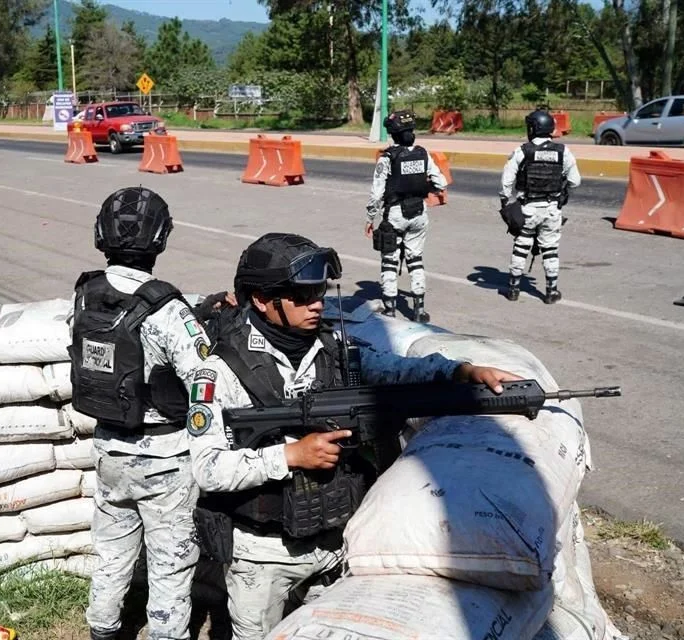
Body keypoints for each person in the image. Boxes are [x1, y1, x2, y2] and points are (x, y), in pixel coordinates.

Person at [186, 233, 521, 640]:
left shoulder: (331, 346)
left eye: (320, 292)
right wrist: (290, 456)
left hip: (334, 541)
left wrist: (461, 372)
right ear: (261, 299)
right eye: (302, 295)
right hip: (263, 554)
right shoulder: (220, 371)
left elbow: (393, 370)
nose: (316, 304)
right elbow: (208, 469)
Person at [67, 187, 216, 640]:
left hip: (109, 448)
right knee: (171, 562)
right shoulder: (168, 308)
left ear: (100, 234)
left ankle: (102, 628)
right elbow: (204, 376)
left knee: (111, 552)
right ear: (161, 238)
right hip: (165, 458)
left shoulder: (86, 294)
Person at [364, 110, 447, 323]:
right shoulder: (423, 153)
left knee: (390, 260)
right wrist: (422, 189)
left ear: (393, 134)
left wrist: (370, 218)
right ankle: (419, 310)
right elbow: (441, 183)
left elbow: (376, 194)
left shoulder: (388, 157)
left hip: (395, 214)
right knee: (415, 259)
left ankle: (390, 309)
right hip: (419, 212)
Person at [500, 109, 581, 303]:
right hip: (552, 209)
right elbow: (575, 181)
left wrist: (505, 201)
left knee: (521, 246)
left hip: (527, 209)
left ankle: (513, 289)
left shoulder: (523, 151)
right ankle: (551, 291)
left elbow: (506, 182)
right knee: (550, 249)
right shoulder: (563, 151)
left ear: (533, 129)